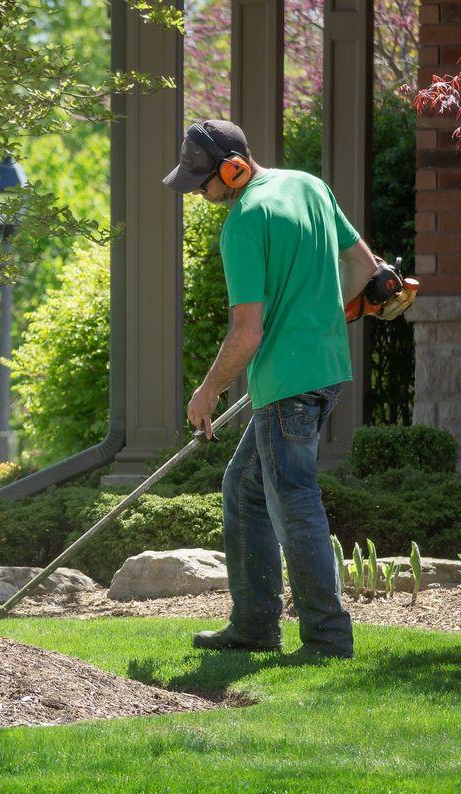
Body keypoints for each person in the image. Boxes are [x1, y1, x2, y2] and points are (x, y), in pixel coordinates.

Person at [162, 120, 410, 659]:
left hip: (286, 384)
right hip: (326, 370)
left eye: (203, 182)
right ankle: (254, 626)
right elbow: (367, 269)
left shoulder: (244, 222)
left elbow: (247, 332)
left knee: (294, 505)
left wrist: (206, 393)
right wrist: (317, 314)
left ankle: (326, 638)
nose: (200, 194)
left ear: (234, 168)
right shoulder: (308, 186)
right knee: (246, 492)